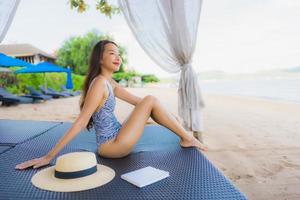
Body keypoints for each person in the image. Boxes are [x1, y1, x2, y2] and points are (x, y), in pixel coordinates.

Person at [15, 40, 207, 170]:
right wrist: (49, 157)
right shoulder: (99, 83)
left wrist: (169, 116)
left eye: (119, 54)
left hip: (118, 137)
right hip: (111, 147)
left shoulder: (110, 83)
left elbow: (142, 104)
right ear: (100, 58)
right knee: (151, 99)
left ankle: (185, 136)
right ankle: (187, 137)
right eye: (112, 53)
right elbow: (81, 122)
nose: (118, 57)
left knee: (150, 101)